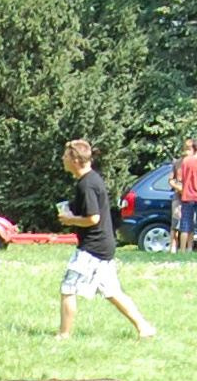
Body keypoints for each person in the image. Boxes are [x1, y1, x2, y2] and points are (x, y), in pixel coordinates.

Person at [56, 139, 155, 340]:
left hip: (92, 248)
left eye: (65, 155)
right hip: (103, 245)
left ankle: (63, 335)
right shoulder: (91, 180)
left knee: (68, 288)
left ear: (75, 160)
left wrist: (70, 219)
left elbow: (93, 218)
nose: (62, 159)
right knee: (112, 291)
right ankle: (144, 327)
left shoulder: (87, 185)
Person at [168, 142, 190, 253]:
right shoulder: (177, 163)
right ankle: (173, 246)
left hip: (191, 195)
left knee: (190, 222)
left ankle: (187, 248)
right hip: (178, 194)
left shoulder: (194, 163)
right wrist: (178, 187)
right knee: (175, 220)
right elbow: (171, 180)